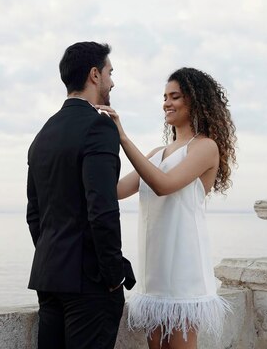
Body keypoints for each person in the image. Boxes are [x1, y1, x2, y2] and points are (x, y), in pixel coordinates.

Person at [97, 67, 237, 348]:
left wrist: (123, 138)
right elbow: (115, 191)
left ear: (195, 101)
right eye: (164, 96)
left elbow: (164, 184)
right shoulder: (157, 154)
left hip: (184, 268)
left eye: (175, 96)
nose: (166, 103)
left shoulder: (205, 147)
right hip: (155, 271)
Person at [26, 41, 136, 349]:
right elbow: (102, 208)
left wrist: (55, 255)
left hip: (49, 277)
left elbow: (34, 214)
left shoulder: (42, 135)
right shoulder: (99, 128)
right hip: (89, 284)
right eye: (109, 72)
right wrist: (114, 275)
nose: (112, 81)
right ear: (94, 75)